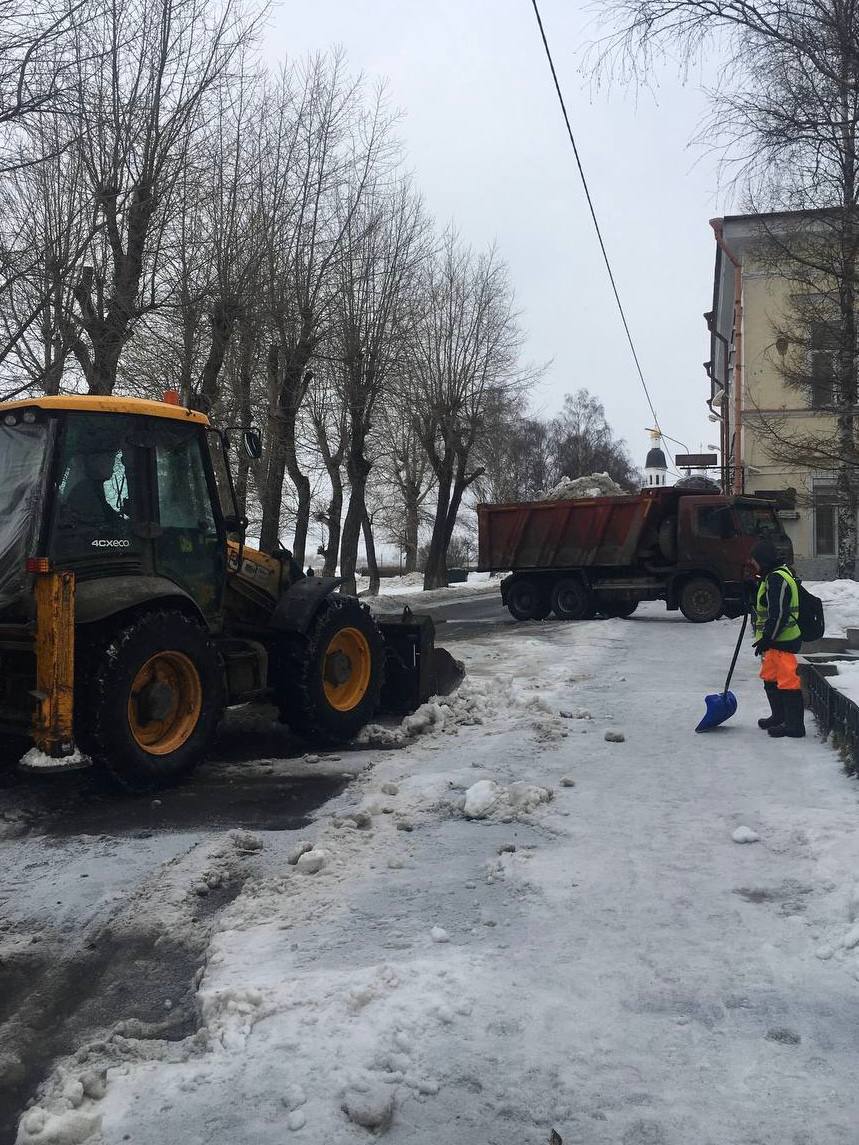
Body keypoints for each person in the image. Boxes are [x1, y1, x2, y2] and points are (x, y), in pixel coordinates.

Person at [750, 539, 805, 739]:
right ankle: (779, 716)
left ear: (762, 560)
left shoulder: (778, 579)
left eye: (755, 560)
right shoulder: (769, 577)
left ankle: (795, 726)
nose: (753, 564)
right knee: (770, 678)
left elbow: (779, 613)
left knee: (788, 682)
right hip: (774, 642)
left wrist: (767, 638)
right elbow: (767, 604)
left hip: (784, 641)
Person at [60, 451, 125, 531]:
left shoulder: (97, 489)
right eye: (109, 457)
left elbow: (109, 515)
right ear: (95, 463)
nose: (113, 465)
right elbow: (95, 520)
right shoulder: (83, 491)